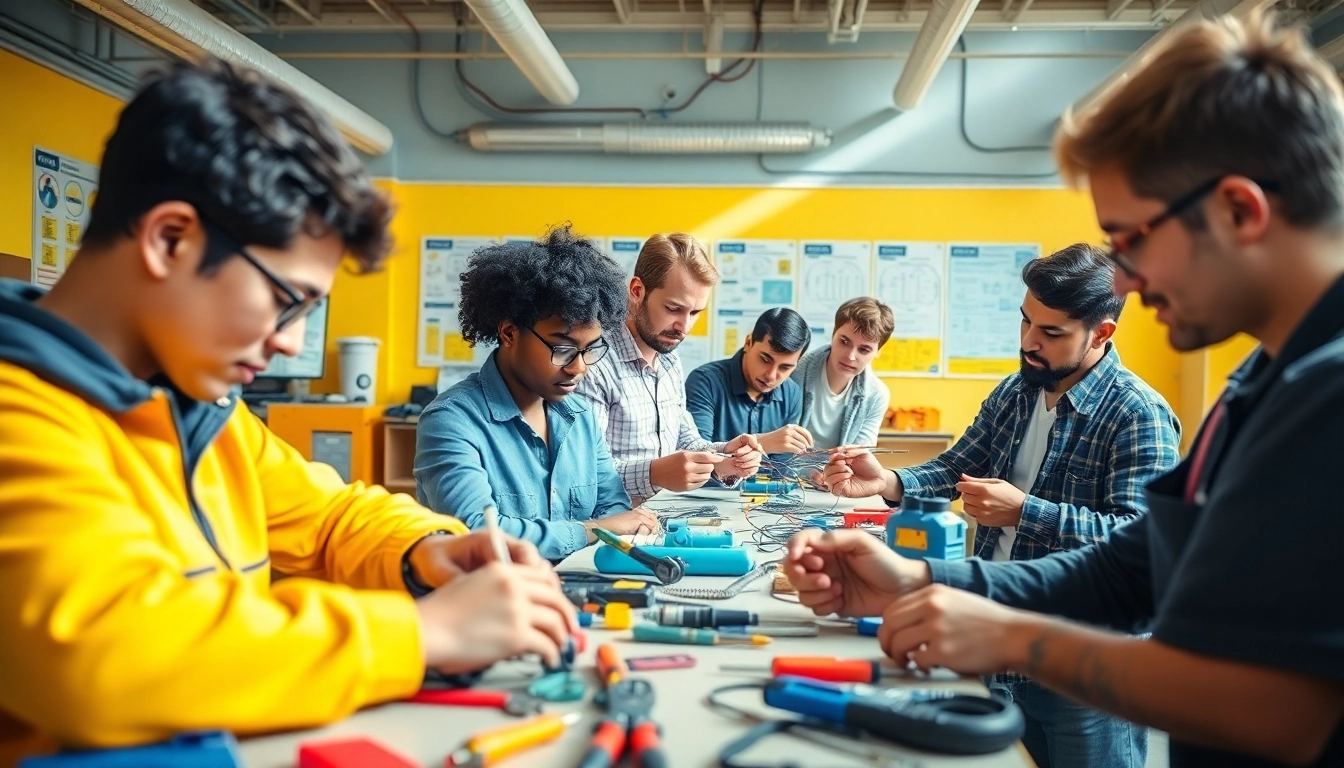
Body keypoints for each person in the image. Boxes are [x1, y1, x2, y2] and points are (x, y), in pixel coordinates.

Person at [785, 11, 1344, 767]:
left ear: (1239, 210)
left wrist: (1013, 635)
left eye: (1135, 240)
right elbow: (1131, 571)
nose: (1131, 282)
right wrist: (917, 577)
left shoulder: (1328, 392)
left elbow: (1288, 708)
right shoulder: (1264, 379)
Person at [0, 59, 575, 765]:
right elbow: (97, 653)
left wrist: (429, 550)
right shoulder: (20, 413)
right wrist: (419, 635)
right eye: (285, 299)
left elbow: (332, 516)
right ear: (170, 238)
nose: (293, 342)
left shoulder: (203, 412)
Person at [808, 244, 1181, 767]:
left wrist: (1027, 511)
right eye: (1027, 321)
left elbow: (1144, 543)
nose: (1029, 342)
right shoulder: (1016, 391)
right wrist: (886, 481)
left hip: (1083, 666)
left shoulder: (1138, 414)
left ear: (1101, 333)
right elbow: (954, 469)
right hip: (993, 638)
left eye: (1051, 334)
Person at [414, 228, 659, 560]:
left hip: (576, 591)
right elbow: (479, 534)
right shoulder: (451, 421)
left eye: (591, 350)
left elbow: (614, 509)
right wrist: (590, 530)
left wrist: (614, 525)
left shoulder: (581, 417)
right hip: (489, 603)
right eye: (563, 349)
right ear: (509, 332)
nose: (579, 368)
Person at [577, 233, 762, 505]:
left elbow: (685, 439)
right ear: (637, 291)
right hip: (607, 530)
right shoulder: (593, 363)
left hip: (658, 521)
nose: (684, 327)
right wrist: (655, 474)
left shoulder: (670, 360)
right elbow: (583, 473)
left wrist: (726, 458)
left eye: (695, 313)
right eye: (674, 308)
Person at [686, 307, 812, 456]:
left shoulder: (791, 394)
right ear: (748, 343)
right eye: (765, 359)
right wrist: (760, 443)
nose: (771, 376)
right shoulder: (705, 382)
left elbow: (783, 469)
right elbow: (695, 455)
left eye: (785, 367)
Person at [791, 297, 894, 450]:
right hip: (788, 471)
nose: (850, 356)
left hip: (840, 472)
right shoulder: (795, 371)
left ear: (877, 351)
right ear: (833, 335)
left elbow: (860, 456)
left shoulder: (877, 395)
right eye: (844, 342)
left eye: (863, 350)